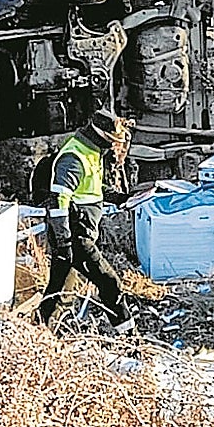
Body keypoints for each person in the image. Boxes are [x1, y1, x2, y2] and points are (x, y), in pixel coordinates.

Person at [36, 109, 135, 334]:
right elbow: (58, 201)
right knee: (110, 283)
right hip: (75, 235)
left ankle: (40, 333)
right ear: (101, 135)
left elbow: (91, 188)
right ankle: (129, 339)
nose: (114, 146)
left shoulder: (91, 152)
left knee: (59, 288)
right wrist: (64, 242)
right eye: (112, 141)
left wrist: (118, 197)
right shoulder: (74, 157)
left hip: (77, 233)